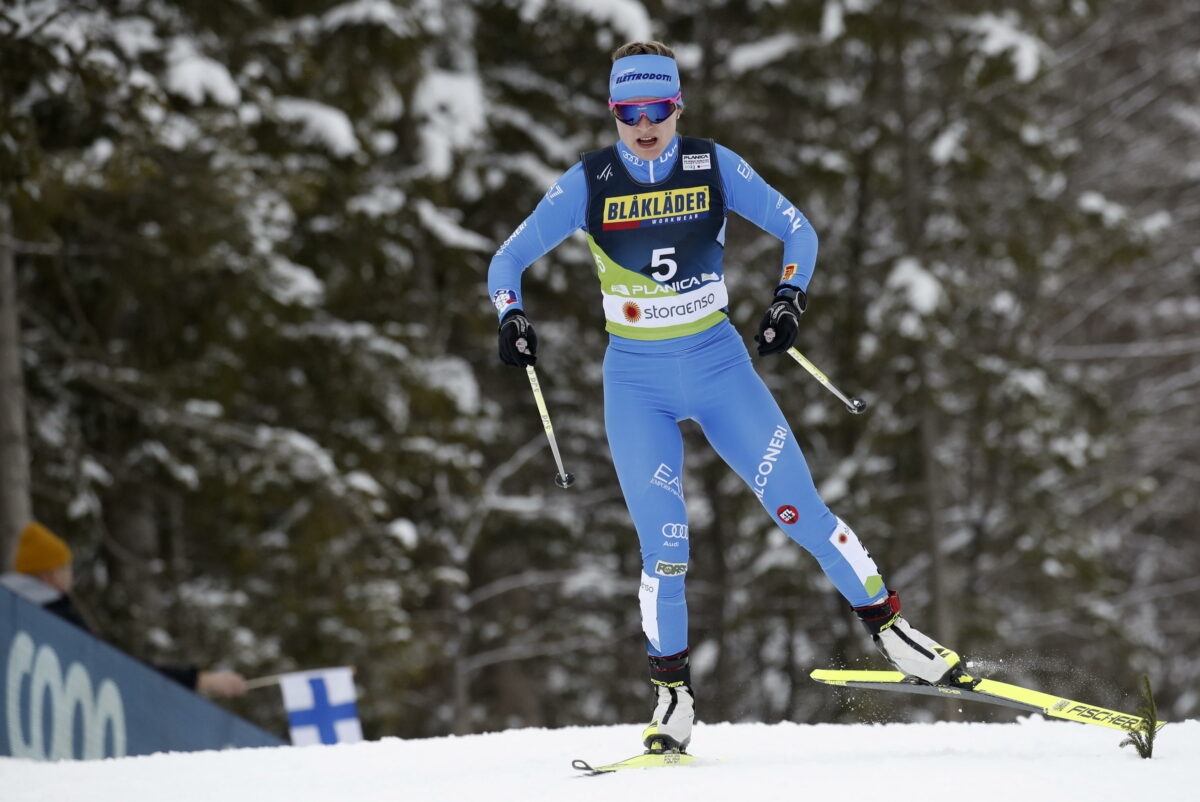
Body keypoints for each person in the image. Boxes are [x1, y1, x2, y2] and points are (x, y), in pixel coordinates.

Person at [487, 40, 967, 754]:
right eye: (629, 111)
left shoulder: (713, 165)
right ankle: (672, 699)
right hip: (636, 382)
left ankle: (892, 631)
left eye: (657, 108)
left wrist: (788, 301)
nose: (644, 124)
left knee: (800, 509)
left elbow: (797, 227)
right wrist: (511, 315)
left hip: (718, 365)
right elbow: (508, 258)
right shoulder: (588, 182)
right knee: (667, 549)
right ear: (614, 112)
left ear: (677, 106)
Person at [0, 521, 248, 698]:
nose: (71, 576)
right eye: (67, 568)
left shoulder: (12, 612)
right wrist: (202, 681)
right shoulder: (58, 618)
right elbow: (117, 671)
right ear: (52, 575)